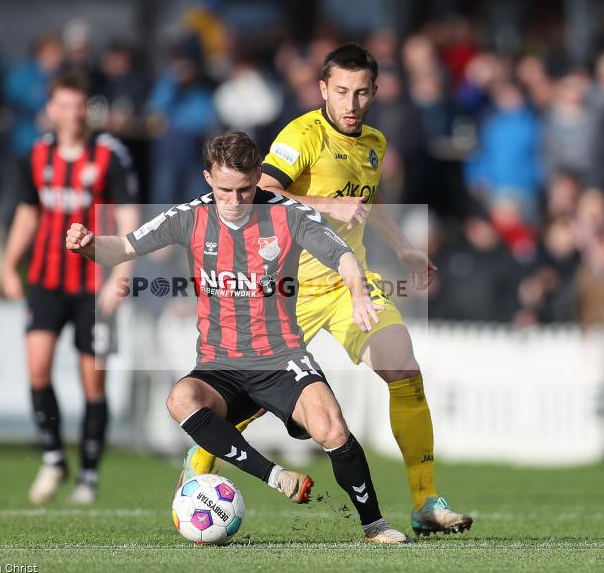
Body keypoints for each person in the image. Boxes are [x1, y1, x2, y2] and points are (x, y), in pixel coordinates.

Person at [184, 43, 473, 537]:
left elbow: (370, 198)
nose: (351, 102)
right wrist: (324, 204)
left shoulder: (374, 143)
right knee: (247, 400)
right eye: (341, 91)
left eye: (362, 92)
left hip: (347, 287)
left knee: (404, 367)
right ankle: (195, 478)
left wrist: (403, 246)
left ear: (375, 92)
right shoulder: (302, 135)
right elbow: (260, 194)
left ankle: (425, 502)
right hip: (286, 292)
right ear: (323, 89)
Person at [67, 130, 409, 544]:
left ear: (259, 176)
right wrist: (87, 246)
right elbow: (120, 248)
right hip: (220, 364)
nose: (234, 202)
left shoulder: (288, 213)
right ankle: (273, 475)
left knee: (333, 429)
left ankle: (375, 525)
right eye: (225, 190)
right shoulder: (189, 215)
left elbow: (342, 256)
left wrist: (357, 295)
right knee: (180, 399)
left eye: (245, 191)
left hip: (280, 358)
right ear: (208, 177)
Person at [3, 72, 140, 505]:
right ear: (51, 109)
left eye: (79, 105)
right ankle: (52, 458)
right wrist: (10, 264)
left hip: (93, 284)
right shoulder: (37, 154)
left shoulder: (109, 154)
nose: (73, 113)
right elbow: (28, 213)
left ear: (88, 109)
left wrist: (122, 273)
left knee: (92, 383)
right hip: (46, 278)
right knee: (38, 367)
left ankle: (89, 475)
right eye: (64, 104)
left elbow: (127, 216)